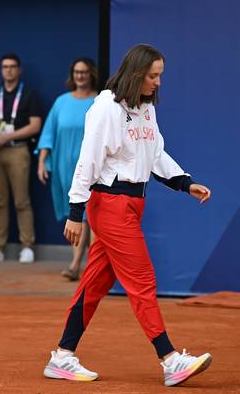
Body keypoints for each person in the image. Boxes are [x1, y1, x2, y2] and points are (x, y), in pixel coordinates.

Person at [43, 44, 212, 387]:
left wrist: (185, 182)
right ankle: (169, 360)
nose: (158, 82)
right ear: (135, 73)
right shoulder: (105, 107)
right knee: (142, 281)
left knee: (94, 284)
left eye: (160, 75)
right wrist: (75, 212)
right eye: (153, 76)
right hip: (111, 204)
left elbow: (156, 152)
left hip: (132, 204)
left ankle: (62, 356)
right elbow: (87, 160)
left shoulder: (145, 107)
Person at [36, 58, 98, 280]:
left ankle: (83, 266)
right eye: (76, 72)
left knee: (92, 216)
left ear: (91, 74)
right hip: (65, 167)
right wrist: (42, 161)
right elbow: (48, 134)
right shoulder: (61, 102)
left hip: (92, 167)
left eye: (84, 72)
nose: (80, 76)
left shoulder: (100, 101)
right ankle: (76, 265)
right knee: (77, 216)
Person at [0, 53, 42, 264]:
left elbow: (35, 125)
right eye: (5, 67)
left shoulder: (29, 95)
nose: (9, 70)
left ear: (19, 70)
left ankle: (27, 246)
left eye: (13, 67)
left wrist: (8, 136)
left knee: (21, 200)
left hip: (18, 150)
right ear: (1, 70)